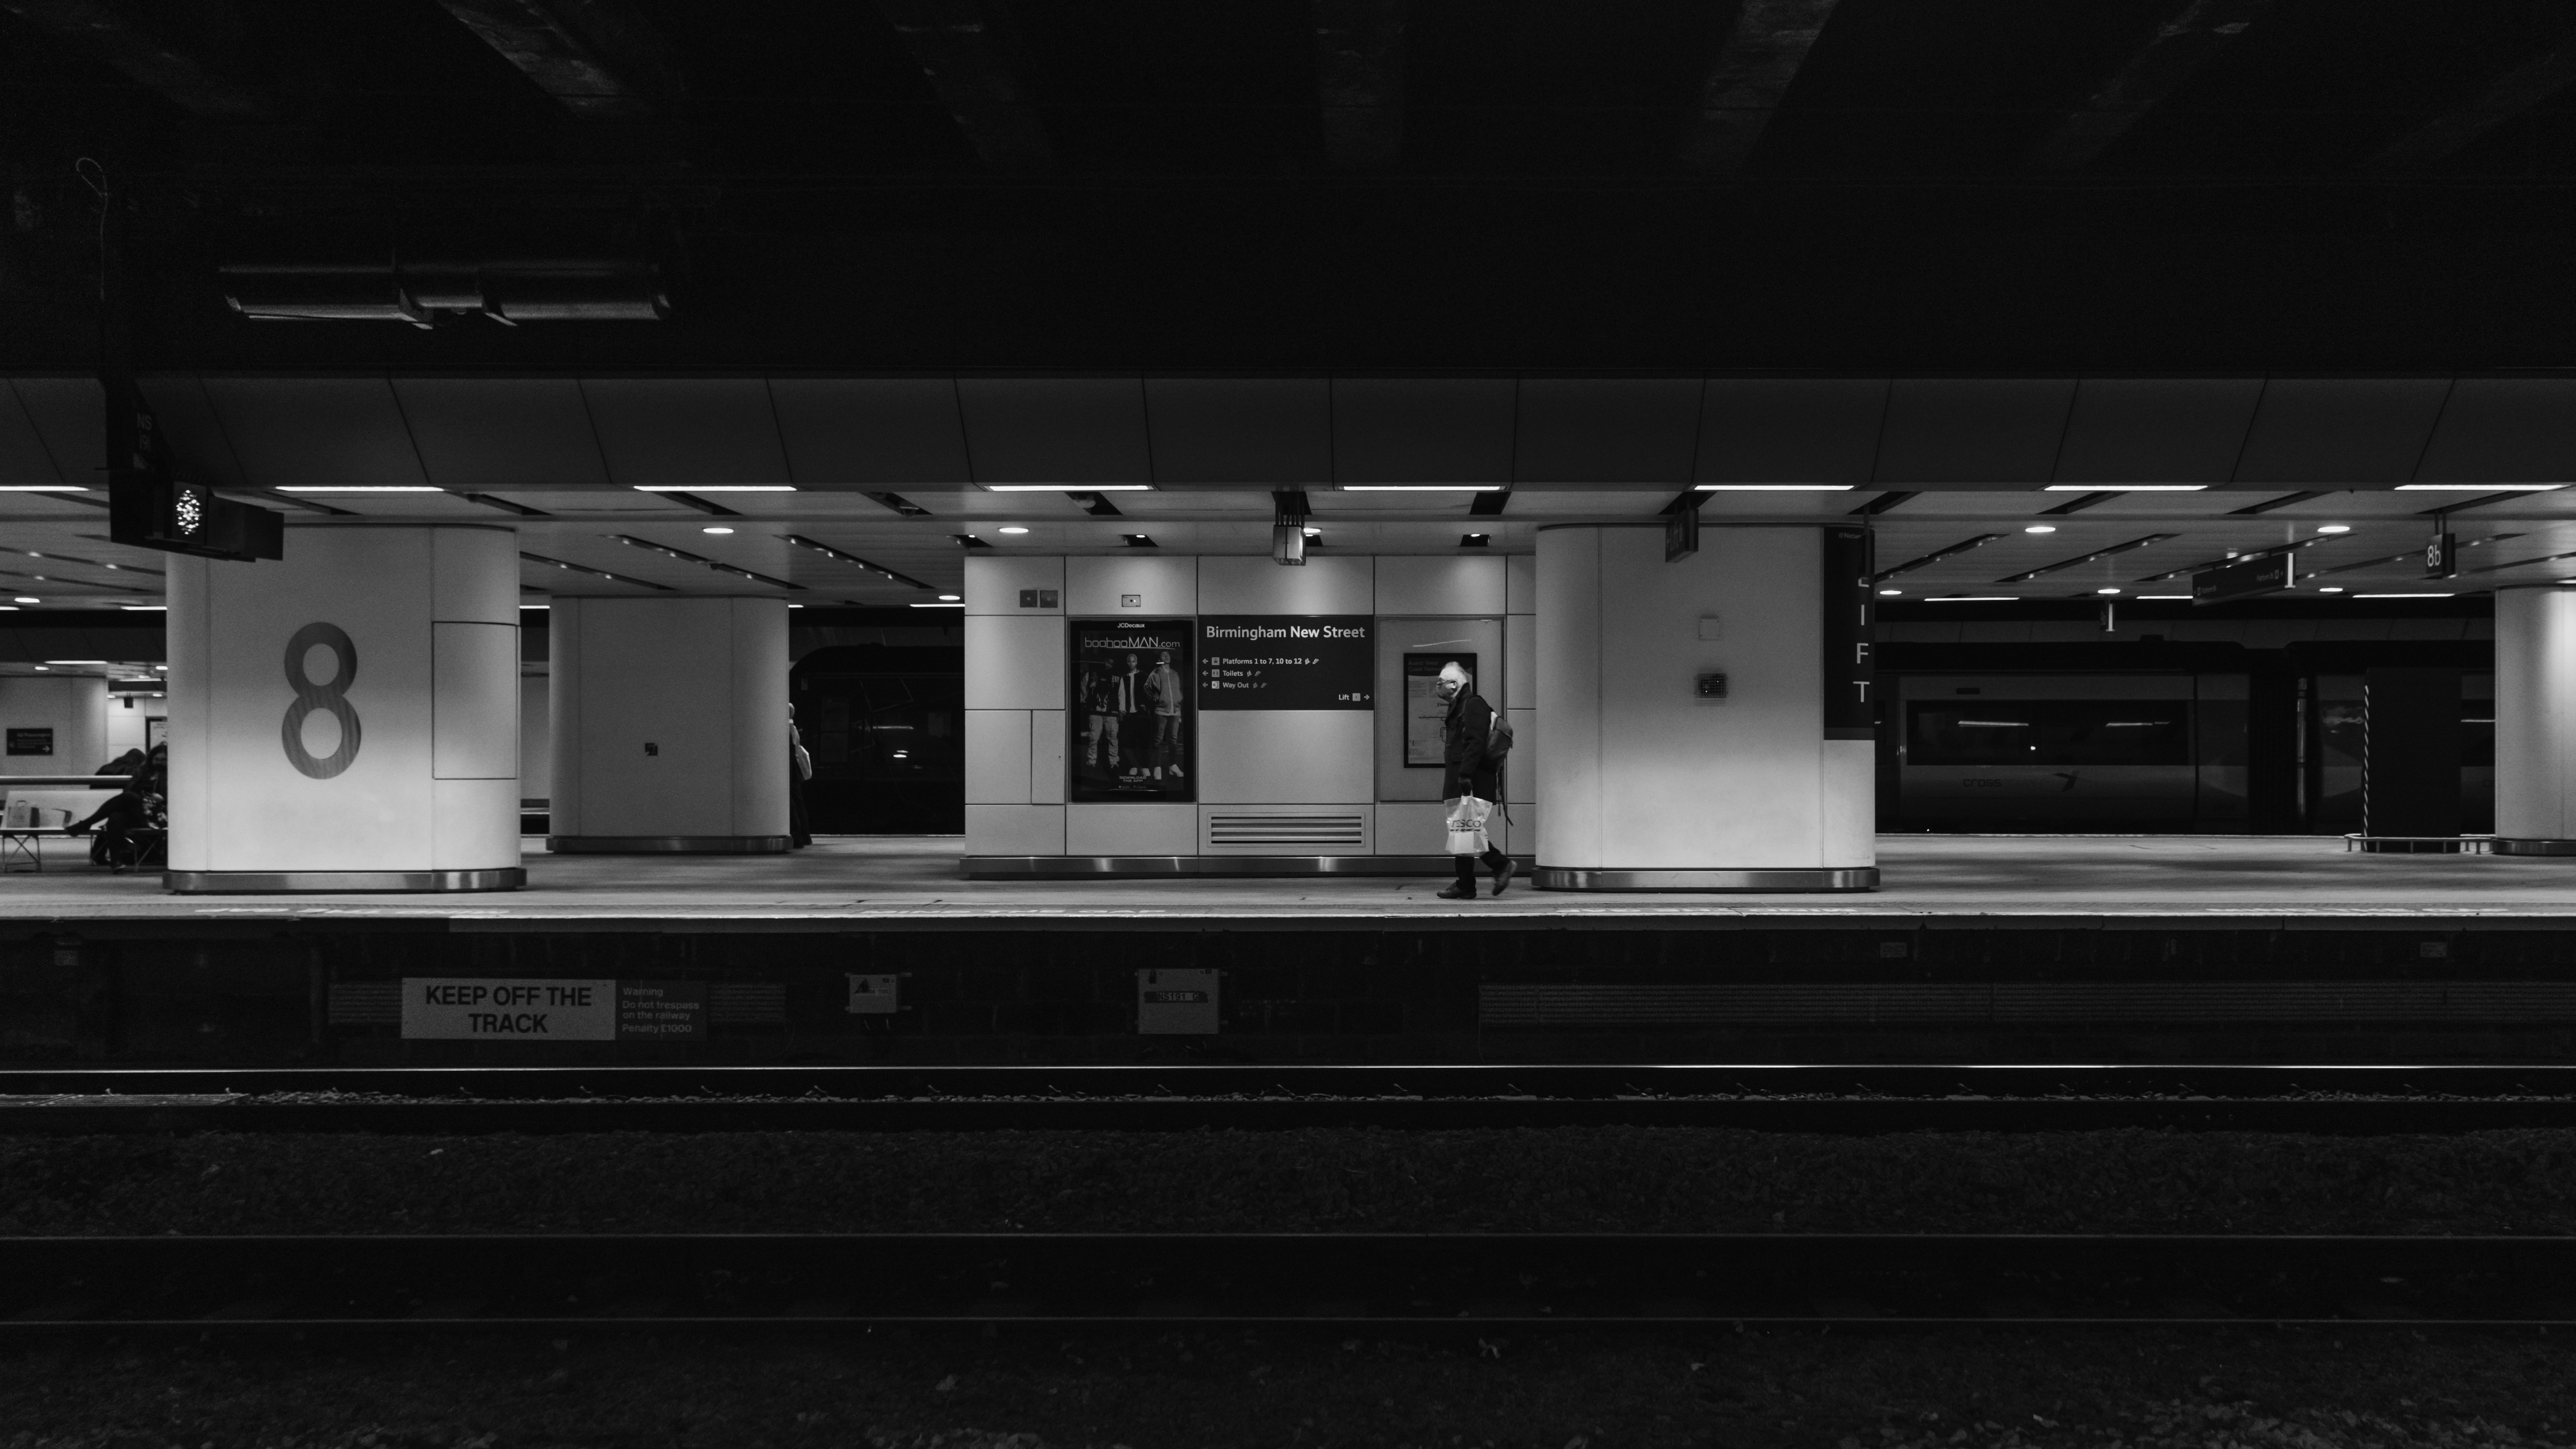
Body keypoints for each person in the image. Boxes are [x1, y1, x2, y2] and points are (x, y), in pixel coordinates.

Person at [1433, 660, 1514, 900]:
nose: (1437, 687)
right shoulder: (1461, 707)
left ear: (1455, 684)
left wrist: (1466, 776)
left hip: (1472, 782)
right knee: (1464, 833)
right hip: (1465, 781)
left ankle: (1499, 866)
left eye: (1441, 682)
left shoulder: (1473, 704)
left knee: (1466, 831)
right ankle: (1467, 884)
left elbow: (1476, 742)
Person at [65, 786, 164, 871]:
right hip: (136, 811)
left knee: (130, 797)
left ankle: (85, 824)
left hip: (155, 815)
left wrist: (157, 798)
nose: (157, 762)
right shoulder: (143, 773)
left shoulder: (171, 775)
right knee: (116, 816)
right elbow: (129, 790)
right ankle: (116, 861)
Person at [1142, 648, 1186, 783]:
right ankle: (1158, 767)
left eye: (1168, 655)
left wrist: (1179, 705)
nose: (1166, 657)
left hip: (1175, 712)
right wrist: (1155, 698)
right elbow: (1146, 688)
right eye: (1163, 655)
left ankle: (1173, 766)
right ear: (1160, 659)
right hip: (1161, 711)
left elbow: (1180, 691)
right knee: (1158, 740)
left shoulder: (1175, 674)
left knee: (1173, 741)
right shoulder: (1155, 673)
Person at [1080, 666, 1123, 780]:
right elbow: (1083, 685)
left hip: (1112, 711)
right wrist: (1086, 699)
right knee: (1094, 737)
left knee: (1113, 738)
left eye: (1110, 662)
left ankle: (1114, 763)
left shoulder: (1118, 675)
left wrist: (1121, 710)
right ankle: (1091, 762)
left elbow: (1121, 693)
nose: (1107, 664)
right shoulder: (1091, 673)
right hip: (1095, 710)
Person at [787, 703, 813, 849]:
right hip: (796, 769)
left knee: (792, 803)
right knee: (799, 802)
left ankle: (797, 836)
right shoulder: (794, 729)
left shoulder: (786, 729)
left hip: (789, 769)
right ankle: (805, 836)